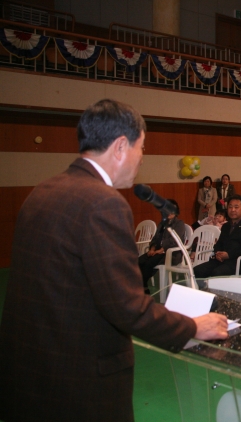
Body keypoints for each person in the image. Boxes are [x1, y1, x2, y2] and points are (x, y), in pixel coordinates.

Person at [0, 99, 228, 422]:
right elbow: (127, 307)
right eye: (142, 148)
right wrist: (192, 327)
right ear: (121, 146)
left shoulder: (42, 192)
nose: (142, 159)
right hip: (80, 386)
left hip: (31, 375)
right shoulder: (104, 203)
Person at [193, 195, 241, 277]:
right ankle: (202, 290)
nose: (233, 210)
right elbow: (219, 243)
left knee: (217, 273)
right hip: (221, 260)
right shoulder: (226, 226)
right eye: (230, 207)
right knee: (197, 270)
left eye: (236, 207)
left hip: (239, 261)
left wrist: (229, 255)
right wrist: (218, 253)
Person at [138, 199, 186, 291]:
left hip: (170, 253)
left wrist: (161, 250)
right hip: (157, 251)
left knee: (149, 263)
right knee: (140, 261)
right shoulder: (162, 223)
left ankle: (144, 287)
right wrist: (152, 249)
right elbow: (155, 239)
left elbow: (175, 240)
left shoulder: (179, 223)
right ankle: (140, 285)